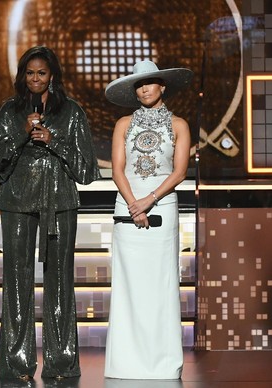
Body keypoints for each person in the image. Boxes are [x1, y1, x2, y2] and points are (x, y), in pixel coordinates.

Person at [0, 46, 100, 380]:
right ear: (23, 75)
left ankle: (61, 363)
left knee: (61, 281)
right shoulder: (10, 112)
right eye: (30, 73)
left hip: (60, 201)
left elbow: (87, 170)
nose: (35, 79)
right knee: (17, 283)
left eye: (42, 73)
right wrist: (22, 134)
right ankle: (16, 364)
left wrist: (55, 141)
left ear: (53, 76)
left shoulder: (72, 112)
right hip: (18, 201)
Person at [103, 60, 193, 379]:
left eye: (150, 82)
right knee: (129, 286)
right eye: (139, 85)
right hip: (128, 205)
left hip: (162, 205)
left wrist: (148, 201)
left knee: (161, 285)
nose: (144, 88)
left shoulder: (180, 125)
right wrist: (133, 204)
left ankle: (162, 365)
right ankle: (125, 363)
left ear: (162, 86)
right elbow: (117, 169)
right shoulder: (123, 124)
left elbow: (180, 172)